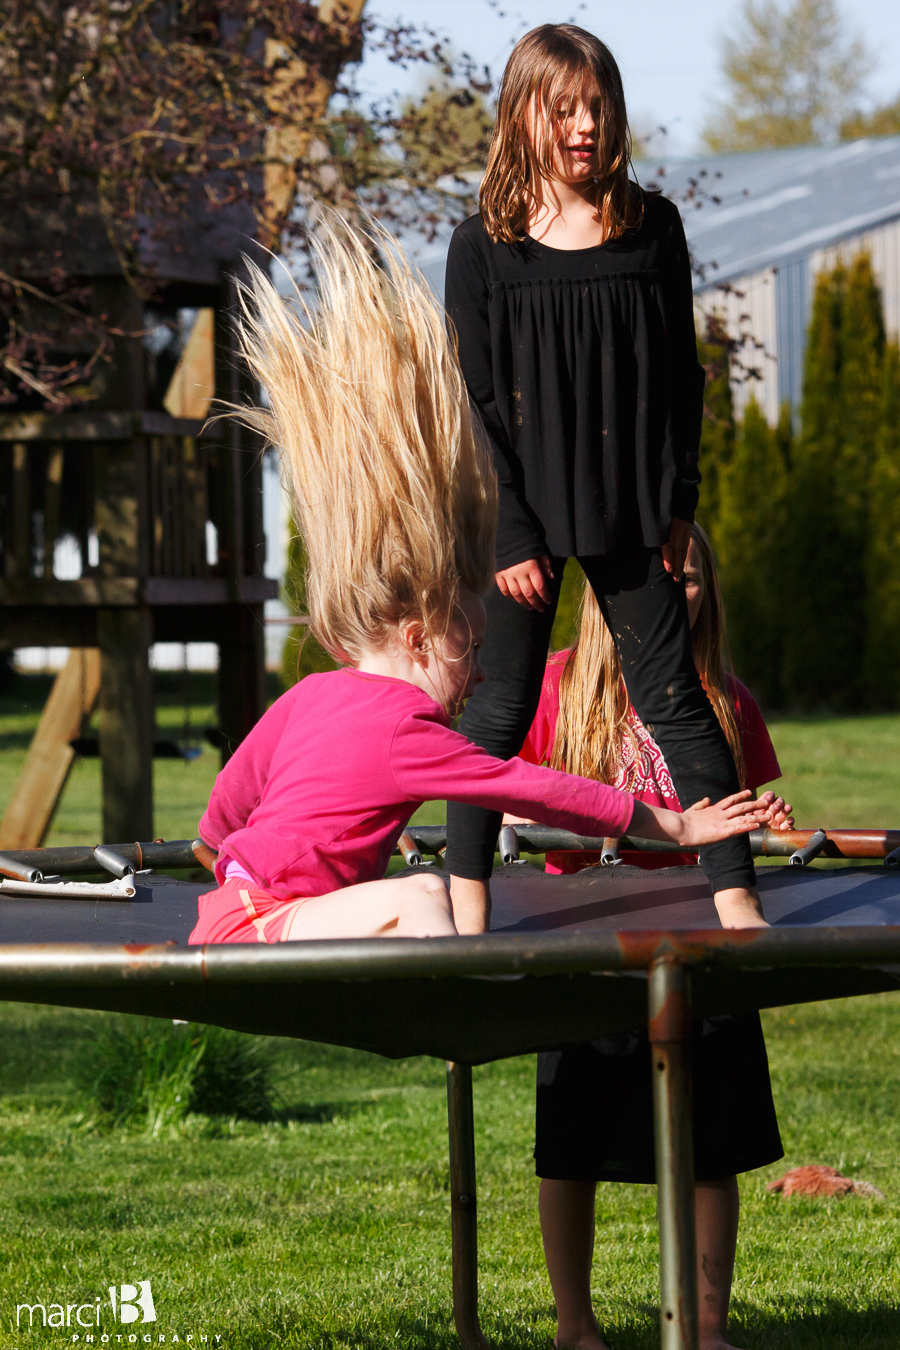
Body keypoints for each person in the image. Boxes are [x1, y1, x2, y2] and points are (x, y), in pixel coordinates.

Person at [188, 226, 773, 946]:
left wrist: (214, 852)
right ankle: (462, 1000)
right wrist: (677, 823)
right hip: (266, 919)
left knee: (411, 893)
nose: (480, 670)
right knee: (425, 892)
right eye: (469, 647)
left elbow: (227, 802)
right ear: (417, 637)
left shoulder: (314, 692)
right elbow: (543, 789)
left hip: (232, 903)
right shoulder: (409, 730)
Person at [442, 23, 768, 935]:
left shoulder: (652, 227)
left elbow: (678, 376)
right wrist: (509, 531)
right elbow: (476, 401)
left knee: (679, 705)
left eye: (598, 107)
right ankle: (467, 901)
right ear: (525, 116)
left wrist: (678, 503)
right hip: (527, 524)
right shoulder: (484, 248)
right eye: (564, 109)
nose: (584, 126)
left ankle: (736, 896)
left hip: (631, 509)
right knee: (498, 713)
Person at [508, 523, 792, 1350]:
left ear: (710, 594)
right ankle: (574, 1325)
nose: (674, 593)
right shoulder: (554, 688)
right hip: (586, 935)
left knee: (714, 1145)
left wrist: (764, 820)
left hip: (703, 935)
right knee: (570, 1147)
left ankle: (706, 1328)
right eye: (657, 578)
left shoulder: (725, 698)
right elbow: (514, 813)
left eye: (692, 578)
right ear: (608, 592)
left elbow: (750, 820)